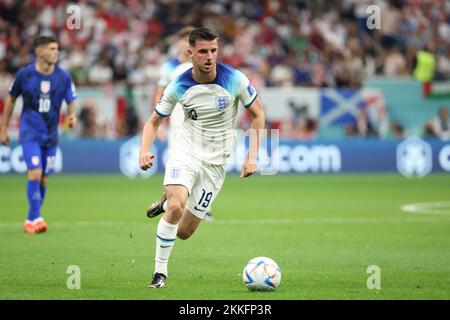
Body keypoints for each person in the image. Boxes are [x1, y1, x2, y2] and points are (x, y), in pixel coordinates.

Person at [139, 27, 265, 288]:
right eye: (203, 51)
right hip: (185, 151)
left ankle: (168, 201)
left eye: (214, 51)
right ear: (190, 53)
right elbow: (153, 122)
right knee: (177, 207)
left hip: (215, 163)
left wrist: (252, 157)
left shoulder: (235, 79)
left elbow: (258, 115)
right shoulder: (179, 85)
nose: (209, 57)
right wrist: (144, 150)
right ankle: (159, 273)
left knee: (184, 232)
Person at [0, 35, 77, 234]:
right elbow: (11, 100)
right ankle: (37, 217)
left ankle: (30, 218)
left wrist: (72, 116)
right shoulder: (24, 75)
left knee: (43, 178)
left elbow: (71, 100)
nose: (56, 52)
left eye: (57, 48)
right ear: (39, 52)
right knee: (34, 171)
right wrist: (3, 128)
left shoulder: (63, 76)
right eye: (52, 48)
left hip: (51, 135)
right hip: (29, 131)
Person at [150, 26, 214, 222]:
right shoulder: (170, 68)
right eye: (184, 39)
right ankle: (171, 200)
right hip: (178, 124)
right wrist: (158, 123)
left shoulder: (206, 68)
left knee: (205, 163)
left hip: (202, 125)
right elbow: (160, 95)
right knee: (177, 162)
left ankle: (202, 207)